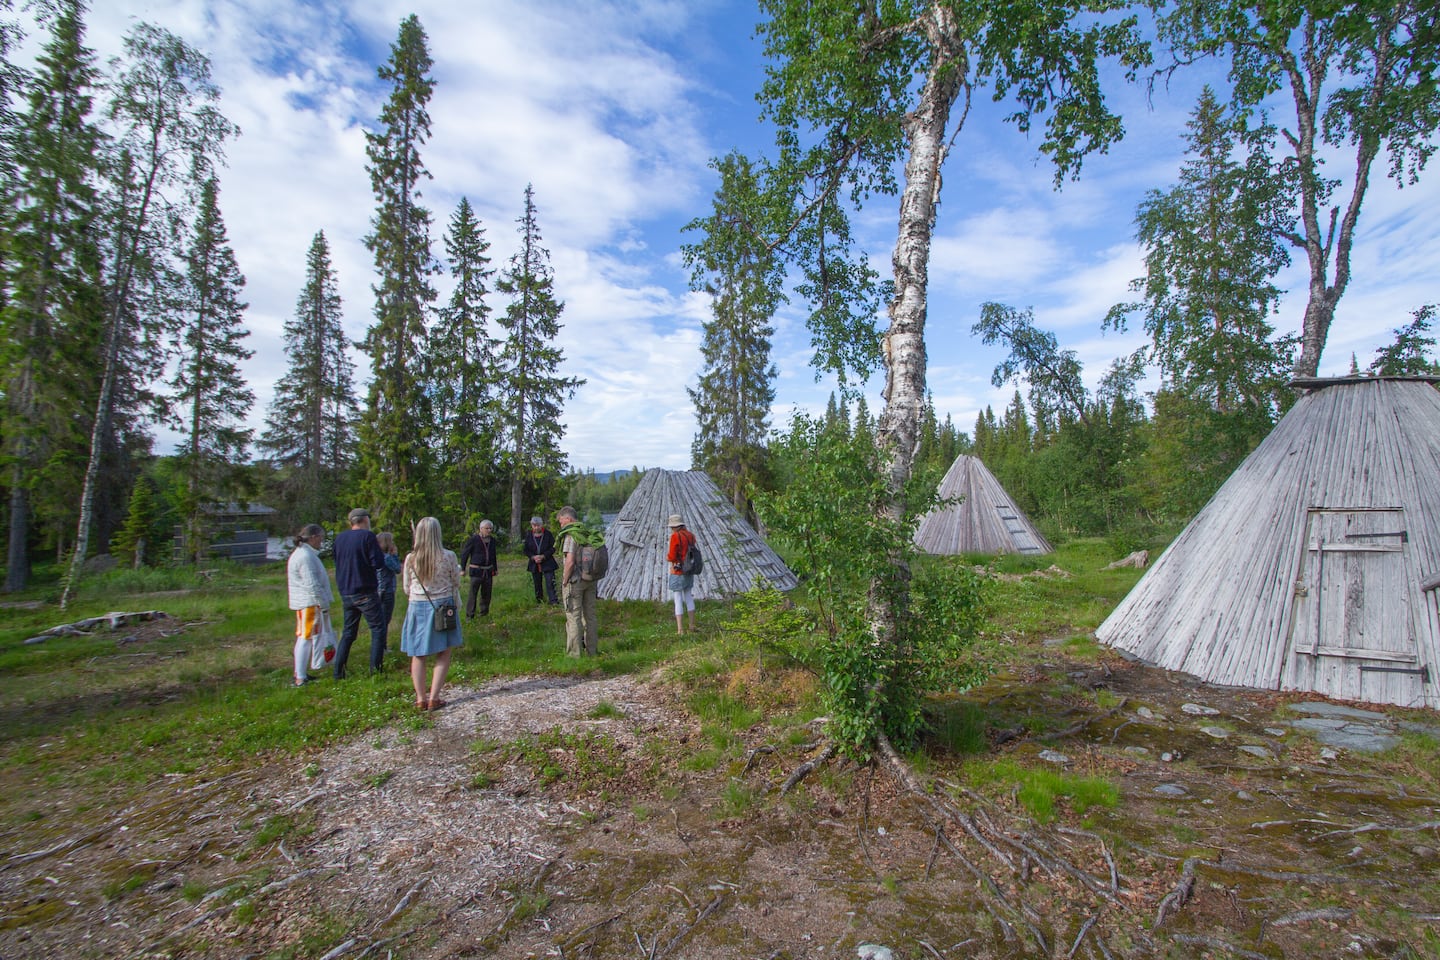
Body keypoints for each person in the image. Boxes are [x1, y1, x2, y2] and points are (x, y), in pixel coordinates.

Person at [401, 516, 463, 711]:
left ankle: (420, 698)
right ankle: (434, 697)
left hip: (418, 606)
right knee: (443, 651)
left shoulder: (411, 558)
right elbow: (456, 581)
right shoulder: (448, 556)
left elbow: (406, 587)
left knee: (418, 654)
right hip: (443, 606)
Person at [331, 507, 389, 678]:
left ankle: (338, 672)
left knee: (348, 632)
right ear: (365, 520)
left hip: (346, 591)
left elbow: (336, 560)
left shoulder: (340, 538)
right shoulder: (367, 536)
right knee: (378, 629)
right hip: (365, 590)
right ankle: (375, 671)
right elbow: (377, 562)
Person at [286, 524, 332, 686]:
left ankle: (301, 672)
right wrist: (323, 603)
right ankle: (300, 677)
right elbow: (312, 584)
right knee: (306, 638)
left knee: (306, 637)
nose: (321, 541)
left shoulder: (303, 554)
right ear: (312, 537)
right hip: (309, 603)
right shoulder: (305, 556)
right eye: (320, 537)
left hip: (307, 602)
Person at [557, 505, 598, 656]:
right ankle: (592, 651)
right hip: (591, 579)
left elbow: (570, 561)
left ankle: (574, 654)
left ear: (568, 519)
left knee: (573, 617)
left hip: (575, 581)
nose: (561, 525)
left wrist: (564, 580)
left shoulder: (571, 535)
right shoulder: (587, 533)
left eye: (561, 522)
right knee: (590, 617)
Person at [458, 519, 499, 618]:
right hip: (476, 571)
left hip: (488, 571)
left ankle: (484, 613)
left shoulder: (492, 540)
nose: (489, 530)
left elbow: (493, 555)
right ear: (481, 529)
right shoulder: (473, 539)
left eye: (490, 528)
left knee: (486, 593)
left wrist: (495, 568)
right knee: (473, 594)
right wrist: (462, 569)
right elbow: (465, 554)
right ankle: (470, 615)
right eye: (487, 528)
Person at [666, 514, 698, 635]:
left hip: (678, 570)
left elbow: (672, 555)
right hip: (689, 569)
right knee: (688, 596)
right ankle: (692, 625)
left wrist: (668, 558)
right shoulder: (690, 535)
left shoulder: (675, 536)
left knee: (678, 598)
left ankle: (680, 629)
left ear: (674, 527)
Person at [523, 515, 559, 605]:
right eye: (534, 525)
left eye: (538, 525)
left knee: (550, 581)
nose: (536, 527)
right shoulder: (529, 535)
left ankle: (553, 600)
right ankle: (540, 601)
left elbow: (553, 548)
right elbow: (526, 549)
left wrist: (544, 556)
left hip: (547, 561)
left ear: (541, 525)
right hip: (534, 562)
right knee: (537, 583)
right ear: (531, 525)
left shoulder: (548, 534)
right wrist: (533, 557)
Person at [375, 531, 403, 644]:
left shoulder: (376, 556)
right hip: (387, 590)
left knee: (379, 619)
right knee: (385, 619)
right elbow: (397, 569)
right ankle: (382, 645)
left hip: (377, 589)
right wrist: (395, 555)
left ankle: (381, 644)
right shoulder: (387, 558)